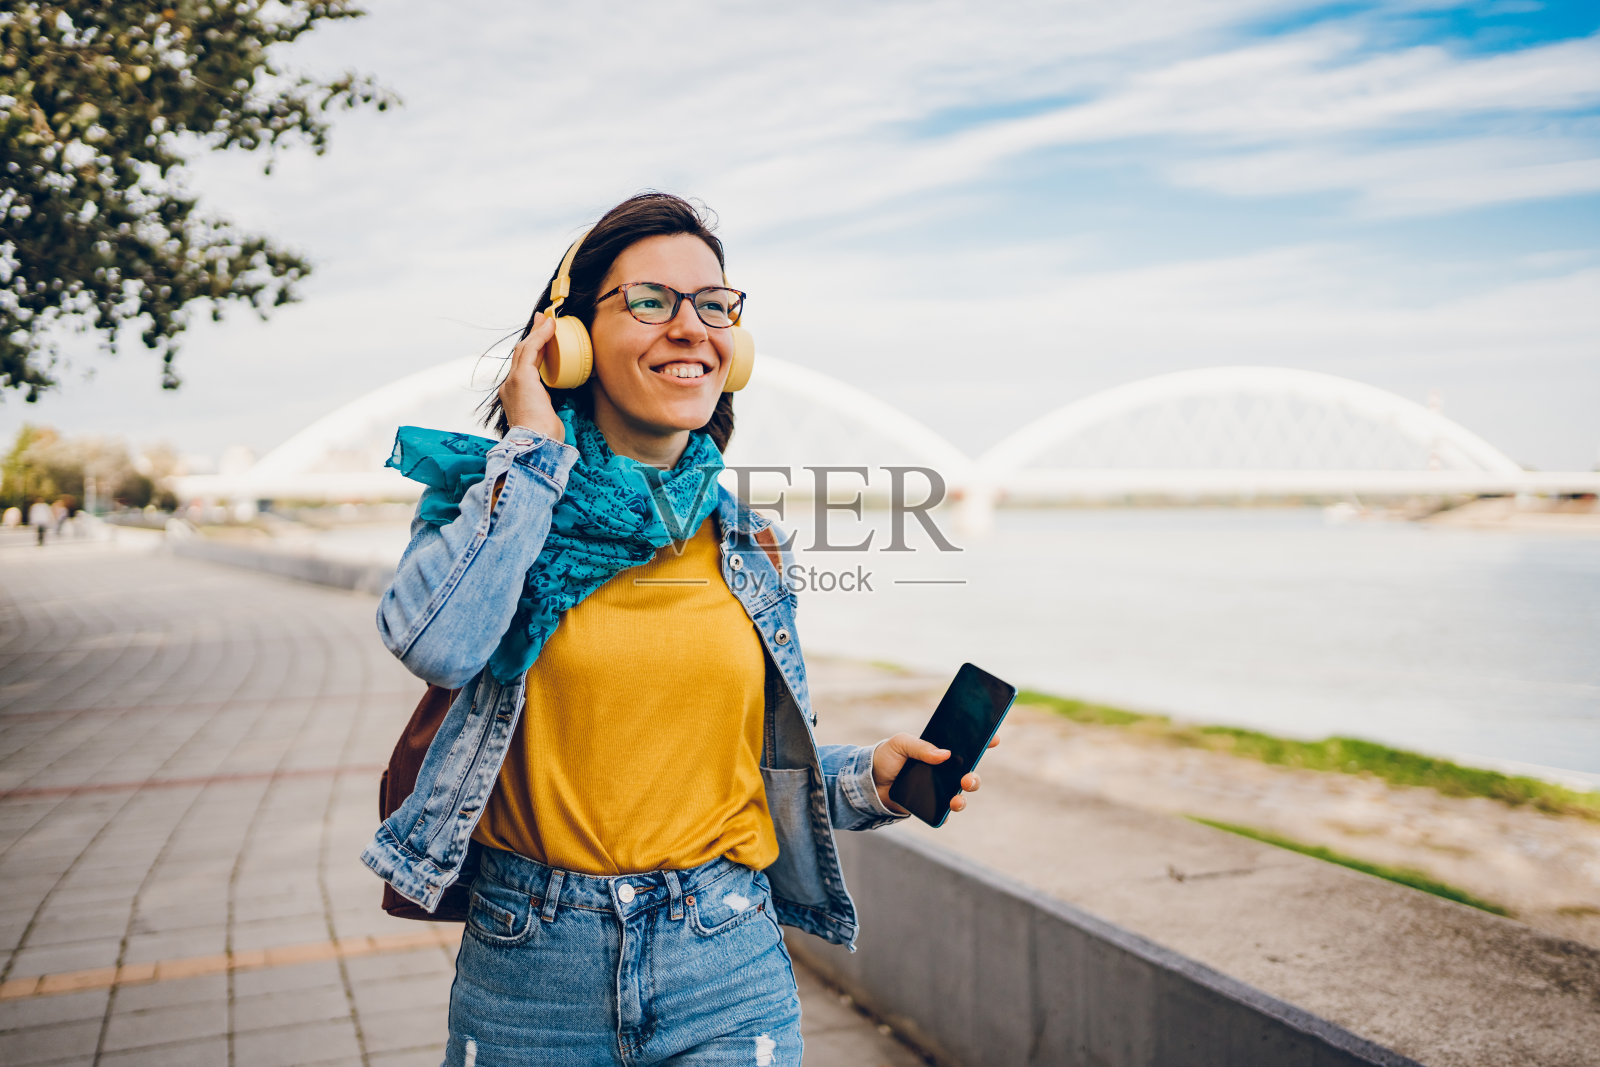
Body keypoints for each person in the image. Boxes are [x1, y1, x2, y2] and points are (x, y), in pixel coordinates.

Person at [361, 193, 990, 1066]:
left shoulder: (751, 544)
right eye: (651, 301)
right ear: (571, 337)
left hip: (723, 958)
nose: (691, 326)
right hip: (529, 968)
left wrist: (871, 780)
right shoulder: (494, 506)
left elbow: (740, 770)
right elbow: (438, 644)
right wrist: (535, 449)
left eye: (715, 304)